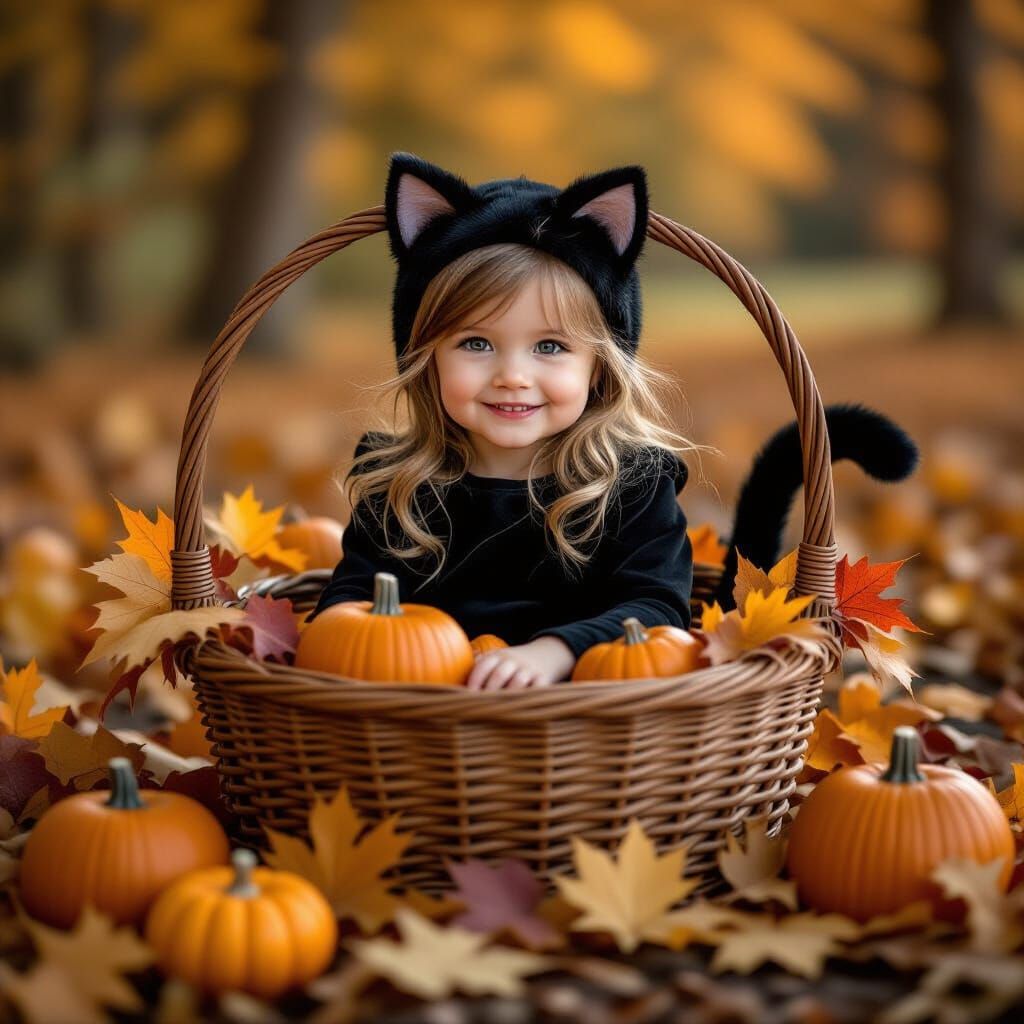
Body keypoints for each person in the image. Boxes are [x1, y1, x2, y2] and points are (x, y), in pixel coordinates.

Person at [307, 152, 920, 691]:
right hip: (425, 732)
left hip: (600, 733)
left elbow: (657, 608)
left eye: (549, 347)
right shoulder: (400, 485)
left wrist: (556, 650)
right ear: (424, 358)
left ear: (600, 368)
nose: (512, 375)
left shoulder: (627, 486)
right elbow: (351, 602)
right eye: (475, 343)